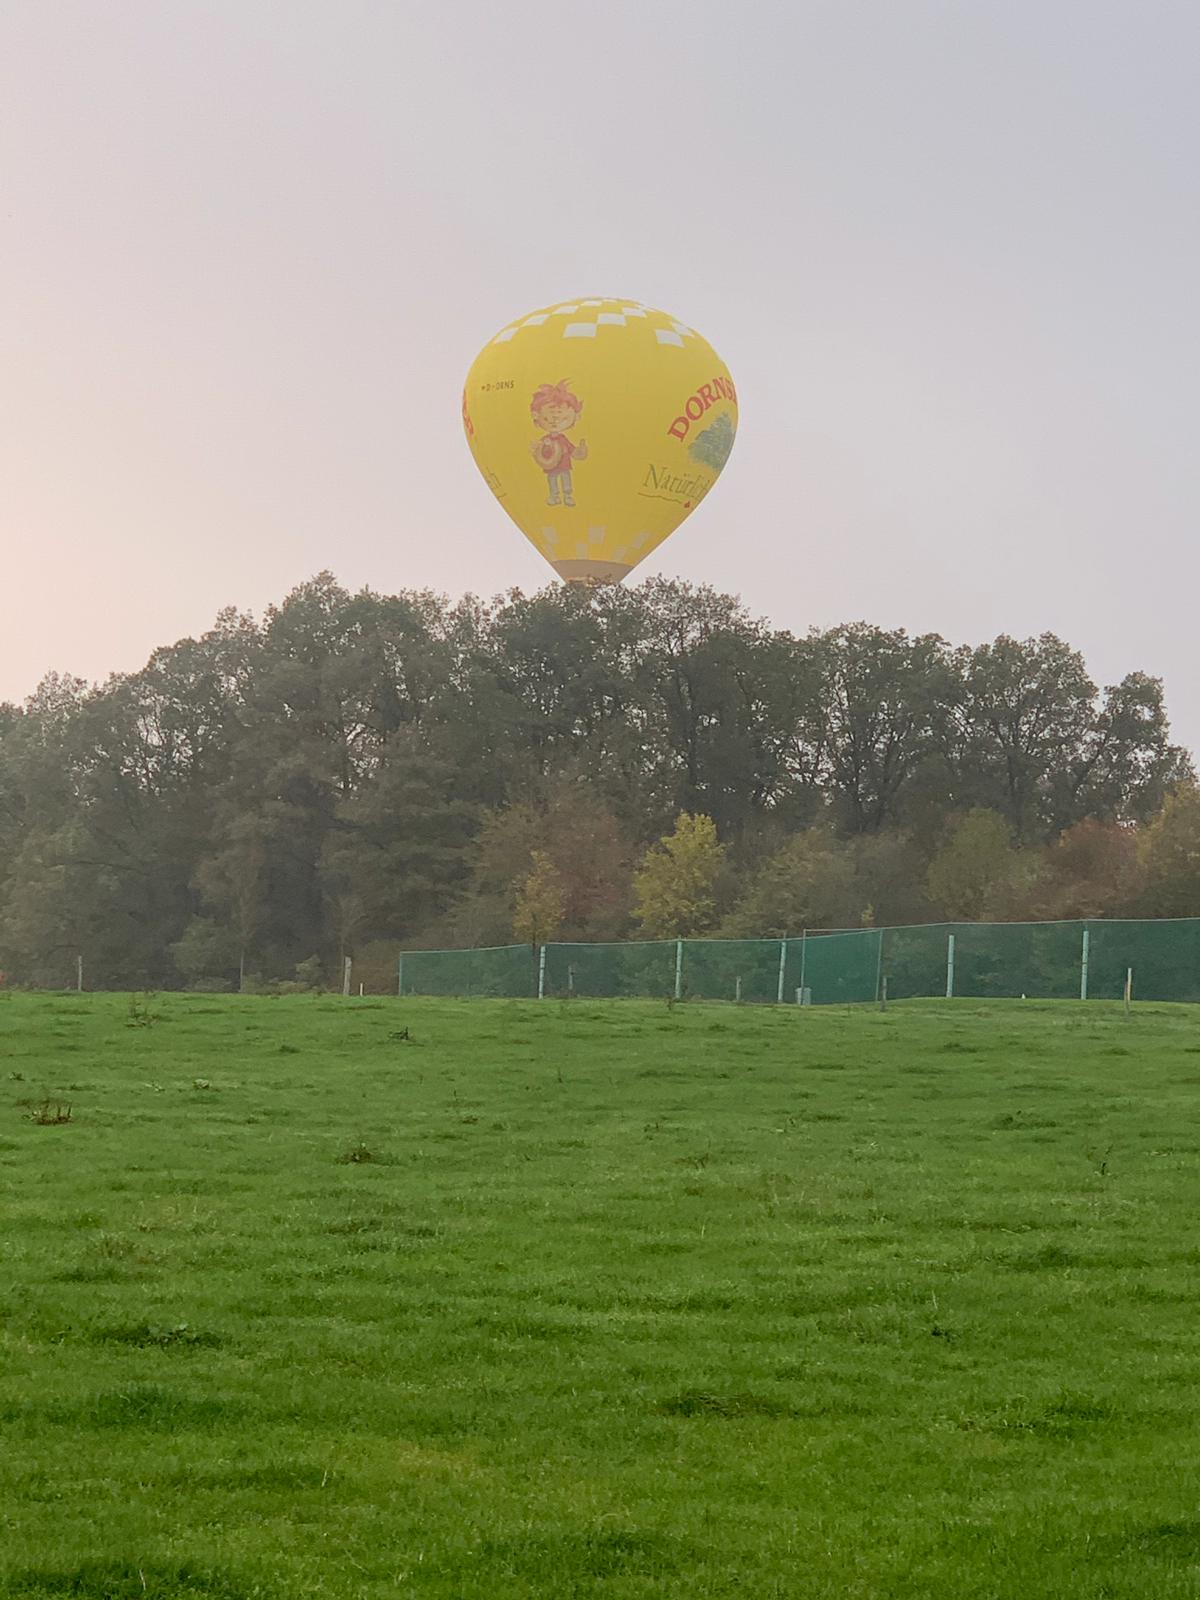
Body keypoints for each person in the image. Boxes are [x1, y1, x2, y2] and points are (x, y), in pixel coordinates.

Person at [529, 379, 588, 506]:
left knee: (566, 479)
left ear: (576, 417)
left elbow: (572, 450)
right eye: (547, 418)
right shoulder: (545, 440)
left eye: (563, 418)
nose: (555, 421)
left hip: (564, 465)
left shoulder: (563, 440)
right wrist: (538, 449)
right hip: (552, 467)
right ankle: (554, 496)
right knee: (553, 480)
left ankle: (567, 496)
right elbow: (540, 453)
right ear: (535, 416)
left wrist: (581, 451)